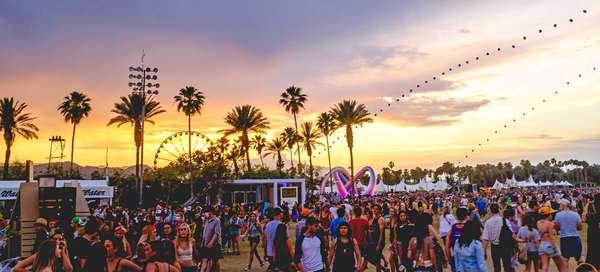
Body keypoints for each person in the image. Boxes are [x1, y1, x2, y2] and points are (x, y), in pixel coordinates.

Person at [554, 198, 583, 270]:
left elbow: (557, 228)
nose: (559, 206)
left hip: (564, 239)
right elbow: (580, 227)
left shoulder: (558, 215)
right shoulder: (576, 214)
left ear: (564, 205)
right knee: (580, 259)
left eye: (560, 204)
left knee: (565, 259)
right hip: (575, 238)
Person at [537, 206, 566, 272]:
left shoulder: (538, 223)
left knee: (544, 266)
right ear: (549, 215)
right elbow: (551, 236)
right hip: (550, 245)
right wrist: (555, 247)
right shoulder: (550, 224)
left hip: (542, 245)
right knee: (561, 265)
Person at [483, 203, 510, 272]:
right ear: (499, 210)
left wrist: (484, 251)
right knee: (507, 266)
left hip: (495, 247)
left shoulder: (488, 222)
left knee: (496, 267)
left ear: (491, 211)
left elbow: (485, 239)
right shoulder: (505, 221)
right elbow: (511, 234)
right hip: (505, 246)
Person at [446, 207, 469, 272]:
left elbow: (447, 247)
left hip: (456, 258)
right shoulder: (470, 228)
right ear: (466, 216)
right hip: (468, 259)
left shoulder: (452, 229)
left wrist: (449, 259)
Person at [199, 206, 222, 272]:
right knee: (206, 259)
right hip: (205, 242)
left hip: (214, 244)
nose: (204, 214)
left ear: (210, 212)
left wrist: (211, 242)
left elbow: (216, 233)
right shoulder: (206, 220)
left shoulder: (216, 220)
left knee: (214, 260)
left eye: (206, 212)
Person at [583, 193, 600, 269]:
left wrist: (588, 204)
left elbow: (583, 217)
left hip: (592, 237)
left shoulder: (591, 216)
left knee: (592, 253)